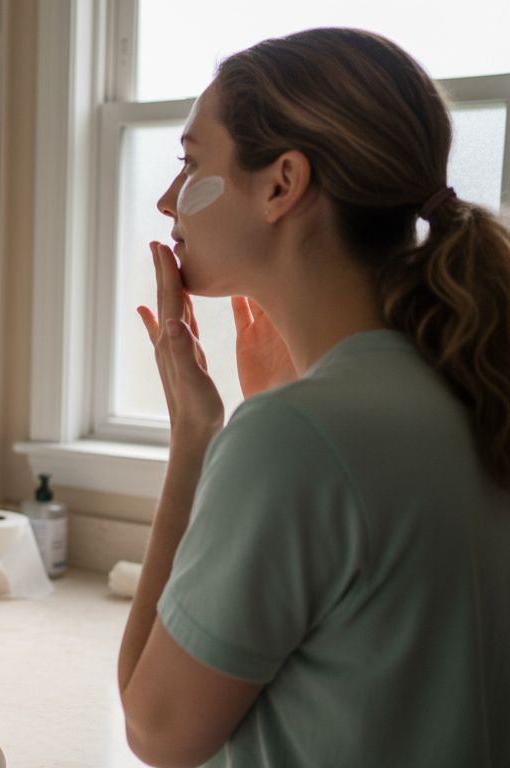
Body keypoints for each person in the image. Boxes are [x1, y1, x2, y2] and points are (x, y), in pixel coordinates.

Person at [117, 28, 510, 767]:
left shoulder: (294, 438)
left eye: (191, 163)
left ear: (281, 184)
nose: (170, 199)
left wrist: (197, 438)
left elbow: (157, 731)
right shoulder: (467, 383)